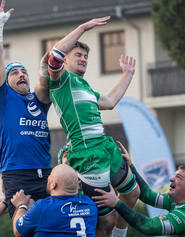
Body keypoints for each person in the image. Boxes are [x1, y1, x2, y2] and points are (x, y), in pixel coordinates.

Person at [46, 16, 140, 236]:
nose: (83, 59)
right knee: (105, 222)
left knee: (133, 194)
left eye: (86, 56)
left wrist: (128, 74)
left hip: (106, 148)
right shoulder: (61, 81)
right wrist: (82, 28)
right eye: (78, 55)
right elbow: (54, 57)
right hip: (87, 154)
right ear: (66, 59)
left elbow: (109, 102)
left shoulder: (85, 87)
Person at [0, 0, 52, 219]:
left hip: (46, 173)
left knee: (50, 226)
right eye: (14, 73)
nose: (20, 75)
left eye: (23, 71)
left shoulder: (39, 99)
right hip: (17, 174)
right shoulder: (2, 99)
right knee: (23, 227)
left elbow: (48, 78)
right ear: (6, 81)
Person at [93, 142, 185, 237]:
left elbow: (149, 227)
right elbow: (147, 195)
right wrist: (130, 166)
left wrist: (116, 203)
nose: (171, 179)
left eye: (178, 177)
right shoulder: (178, 200)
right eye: (174, 175)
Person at [11, 164, 98, 237]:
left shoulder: (42, 207)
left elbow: (18, 231)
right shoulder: (90, 205)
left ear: (53, 185)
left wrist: (21, 205)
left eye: (50, 176)